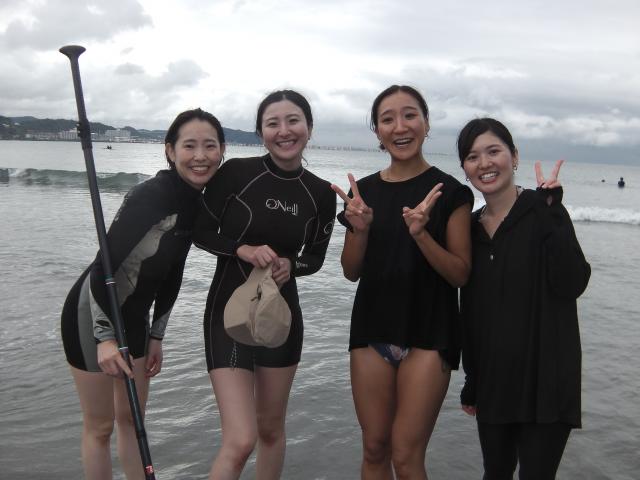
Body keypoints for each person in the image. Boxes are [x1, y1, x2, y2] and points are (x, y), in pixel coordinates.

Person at [61, 108, 225, 479]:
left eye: (210, 146)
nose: (200, 156)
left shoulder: (197, 203)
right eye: (189, 145)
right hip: (92, 313)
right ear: (170, 150)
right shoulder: (150, 195)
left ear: (221, 151)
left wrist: (156, 336)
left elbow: (172, 274)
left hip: (135, 320)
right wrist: (104, 338)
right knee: (100, 426)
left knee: (133, 422)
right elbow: (104, 266)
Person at [193, 89, 336, 480]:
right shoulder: (236, 174)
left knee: (271, 430)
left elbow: (315, 257)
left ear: (309, 128)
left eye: (293, 121)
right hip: (228, 315)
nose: (284, 131)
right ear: (261, 132)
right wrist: (241, 249)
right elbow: (200, 232)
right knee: (241, 440)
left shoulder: (321, 193)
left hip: (280, 317)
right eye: (273, 123)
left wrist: (292, 265)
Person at [332, 85, 473, 479]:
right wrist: (360, 229)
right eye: (387, 119)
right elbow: (351, 271)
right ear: (377, 132)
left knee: (407, 456)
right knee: (374, 448)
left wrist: (422, 234)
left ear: (426, 123)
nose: (400, 126)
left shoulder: (450, 193)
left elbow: (460, 273)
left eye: (410, 115)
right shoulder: (363, 193)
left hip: (429, 333)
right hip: (372, 330)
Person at [457, 118, 591, 479]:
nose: (485, 163)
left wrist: (552, 214)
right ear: (465, 168)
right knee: (495, 473)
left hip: (547, 378)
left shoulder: (543, 210)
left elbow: (573, 282)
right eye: (473, 156)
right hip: (495, 380)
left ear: (514, 156)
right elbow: (472, 311)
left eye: (494, 151)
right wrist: (472, 379)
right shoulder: (469, 229)